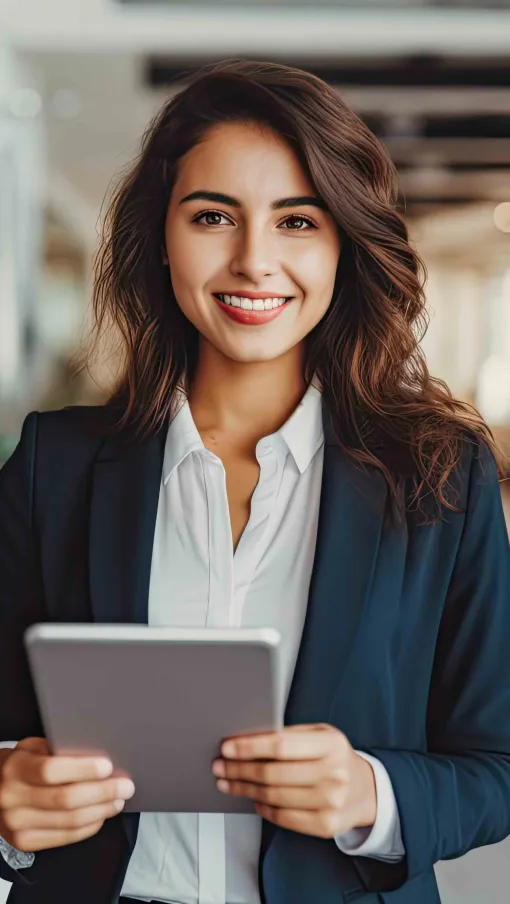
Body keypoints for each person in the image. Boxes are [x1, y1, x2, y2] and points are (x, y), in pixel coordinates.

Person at [0, 58, 509, 904]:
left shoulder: (439, 478)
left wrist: (367, 796)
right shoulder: (54, 468)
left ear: (344, 242)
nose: (253, 260)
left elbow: (495, 766)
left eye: (297, 222)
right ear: (163, 236)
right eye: (213, 217)